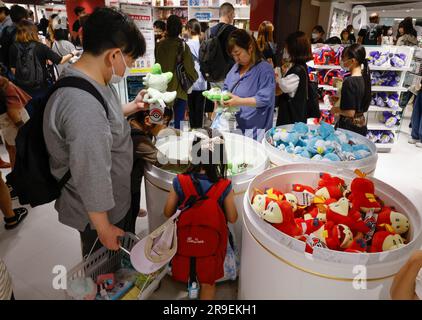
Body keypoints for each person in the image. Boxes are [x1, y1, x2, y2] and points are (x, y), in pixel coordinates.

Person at [43, 7, 148, 256]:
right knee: (102, 271)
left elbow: (106, 118)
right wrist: (104, 227)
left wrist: (132, 106)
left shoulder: (91, 79)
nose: (129, 68)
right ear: (114, 56)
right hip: (98, 215)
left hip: (113, 201)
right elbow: (91, 173)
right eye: (130, 61)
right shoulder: (82, 106)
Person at [164, 129, 238, 300]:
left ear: (193, 152)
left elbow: (167, 212)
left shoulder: (180, 181)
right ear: (220, 157)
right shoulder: (224, 185)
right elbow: (233, 218)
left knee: (188, 268)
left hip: (185, 243)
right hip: (212, 248)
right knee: (208, 283)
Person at [223, 29, 275, 141]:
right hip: (235, 129)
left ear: (250, 48)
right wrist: (221, 98)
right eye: (233, 55)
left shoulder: (264, 69)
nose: (236, 59)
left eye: (238, 53)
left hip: (256, 132)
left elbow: (264, 99)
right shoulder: (235, 68)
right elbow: (226, 87)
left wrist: (239, 101)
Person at [127, 108, 173, 233]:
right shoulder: (138, 140)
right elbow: (162, 161)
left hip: (131, 178)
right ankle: (127, 240)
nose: (165, 128)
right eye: (164, 123)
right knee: (128, 215)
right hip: (127, 186)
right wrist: (190, 159)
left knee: (134, 205)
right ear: (148, 120)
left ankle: (134, 211)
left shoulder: (132, 122)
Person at [9, 20, 77, 98]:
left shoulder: (13, 47)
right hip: (41, 88)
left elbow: (13, 70)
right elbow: (60, 60)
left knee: (28, 109)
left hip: (22, 90)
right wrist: (72, 53)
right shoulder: (40, 46)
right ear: (33, 32)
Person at [155, 15, 198, 130]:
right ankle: (179, 144)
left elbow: (157, 66)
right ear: (180, 28)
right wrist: (194, 78)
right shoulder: (183, 46)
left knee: (162, 122)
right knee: (180, 123)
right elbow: (190, 69)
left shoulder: (159, 45)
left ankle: (161, 145)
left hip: (163, 90)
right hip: (179, 90)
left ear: (167, 28)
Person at [330, 44, 370, 136]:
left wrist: (335, 109)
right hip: (360, 124)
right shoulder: (365, 77)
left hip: (348, 128)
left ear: (353, 61)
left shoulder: (349, 81)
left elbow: (350, 113)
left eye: (343, 58)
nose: (342, 61)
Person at [276, 31, 312, 126]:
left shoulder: (297, 70)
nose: (285, 50)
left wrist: (276, 76)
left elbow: (282, 87)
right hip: (297, 119)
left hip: (290, 121)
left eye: (287, 47)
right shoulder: (302, 67)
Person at [0, 76, 31, 169]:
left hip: (6, 118)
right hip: (11, 119)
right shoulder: (5, 87)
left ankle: (16, 178)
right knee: (17, 150)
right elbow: (13, 112)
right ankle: (19, 179)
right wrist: (24, 129)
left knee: (12, 148)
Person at [208, 2, 237, 86]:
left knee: (215, 98)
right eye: (233, 15)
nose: (233, 17)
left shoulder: (209, 31)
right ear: (229, 14)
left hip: (213, 76)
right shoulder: (234, 32)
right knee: (229, 99)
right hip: (230, 75)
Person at [186, 19, 207, 129]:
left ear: (189, 30)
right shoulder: (204, 44)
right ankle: (199, 137)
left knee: (192, 113)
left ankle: (193, 136)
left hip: (190, 82)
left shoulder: (186, 45)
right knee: (200, 114)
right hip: (202, 81)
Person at [0, 5, 28, 75]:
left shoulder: (6, 29)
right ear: (23, 17)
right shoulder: (21, 32)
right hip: (18, 69)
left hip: (7, 65)